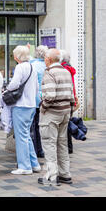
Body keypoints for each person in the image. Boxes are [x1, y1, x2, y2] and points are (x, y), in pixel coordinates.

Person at [38, 49, 75, 186]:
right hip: (65, 112)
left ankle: (52, 176)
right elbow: (71, 95)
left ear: (48, 59)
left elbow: (50, 95)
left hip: (52, 114)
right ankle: (65, 174)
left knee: (49, 144)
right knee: (62, 144)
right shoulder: (66, 71)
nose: (44, 60)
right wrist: (69, 111)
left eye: (45, 58)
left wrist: (43, 107)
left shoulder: (49, 73)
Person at [7, 45, 41, 175]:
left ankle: (25, 166)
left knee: (21, 136)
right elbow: (37, 87)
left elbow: (14, 84)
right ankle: (34, 163)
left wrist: (7, 89)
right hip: (31, 104)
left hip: (21, 105)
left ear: (17, 57)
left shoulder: (20, 67)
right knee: (26, 135)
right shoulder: (32, 66)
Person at [29, 45, 48, 158]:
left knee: (34, 126)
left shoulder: (33, 65)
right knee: (42, 126)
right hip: (46, 99)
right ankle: (41, 149)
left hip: (34, 99)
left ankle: (35, 149)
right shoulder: (47, 66)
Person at [60, 49, 77, 154]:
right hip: (71, 98)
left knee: (65, 125)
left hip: (66, 98)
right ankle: (69, 147)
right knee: (67, 123)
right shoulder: (69, 68)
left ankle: (67, 147)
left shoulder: (63, 69)